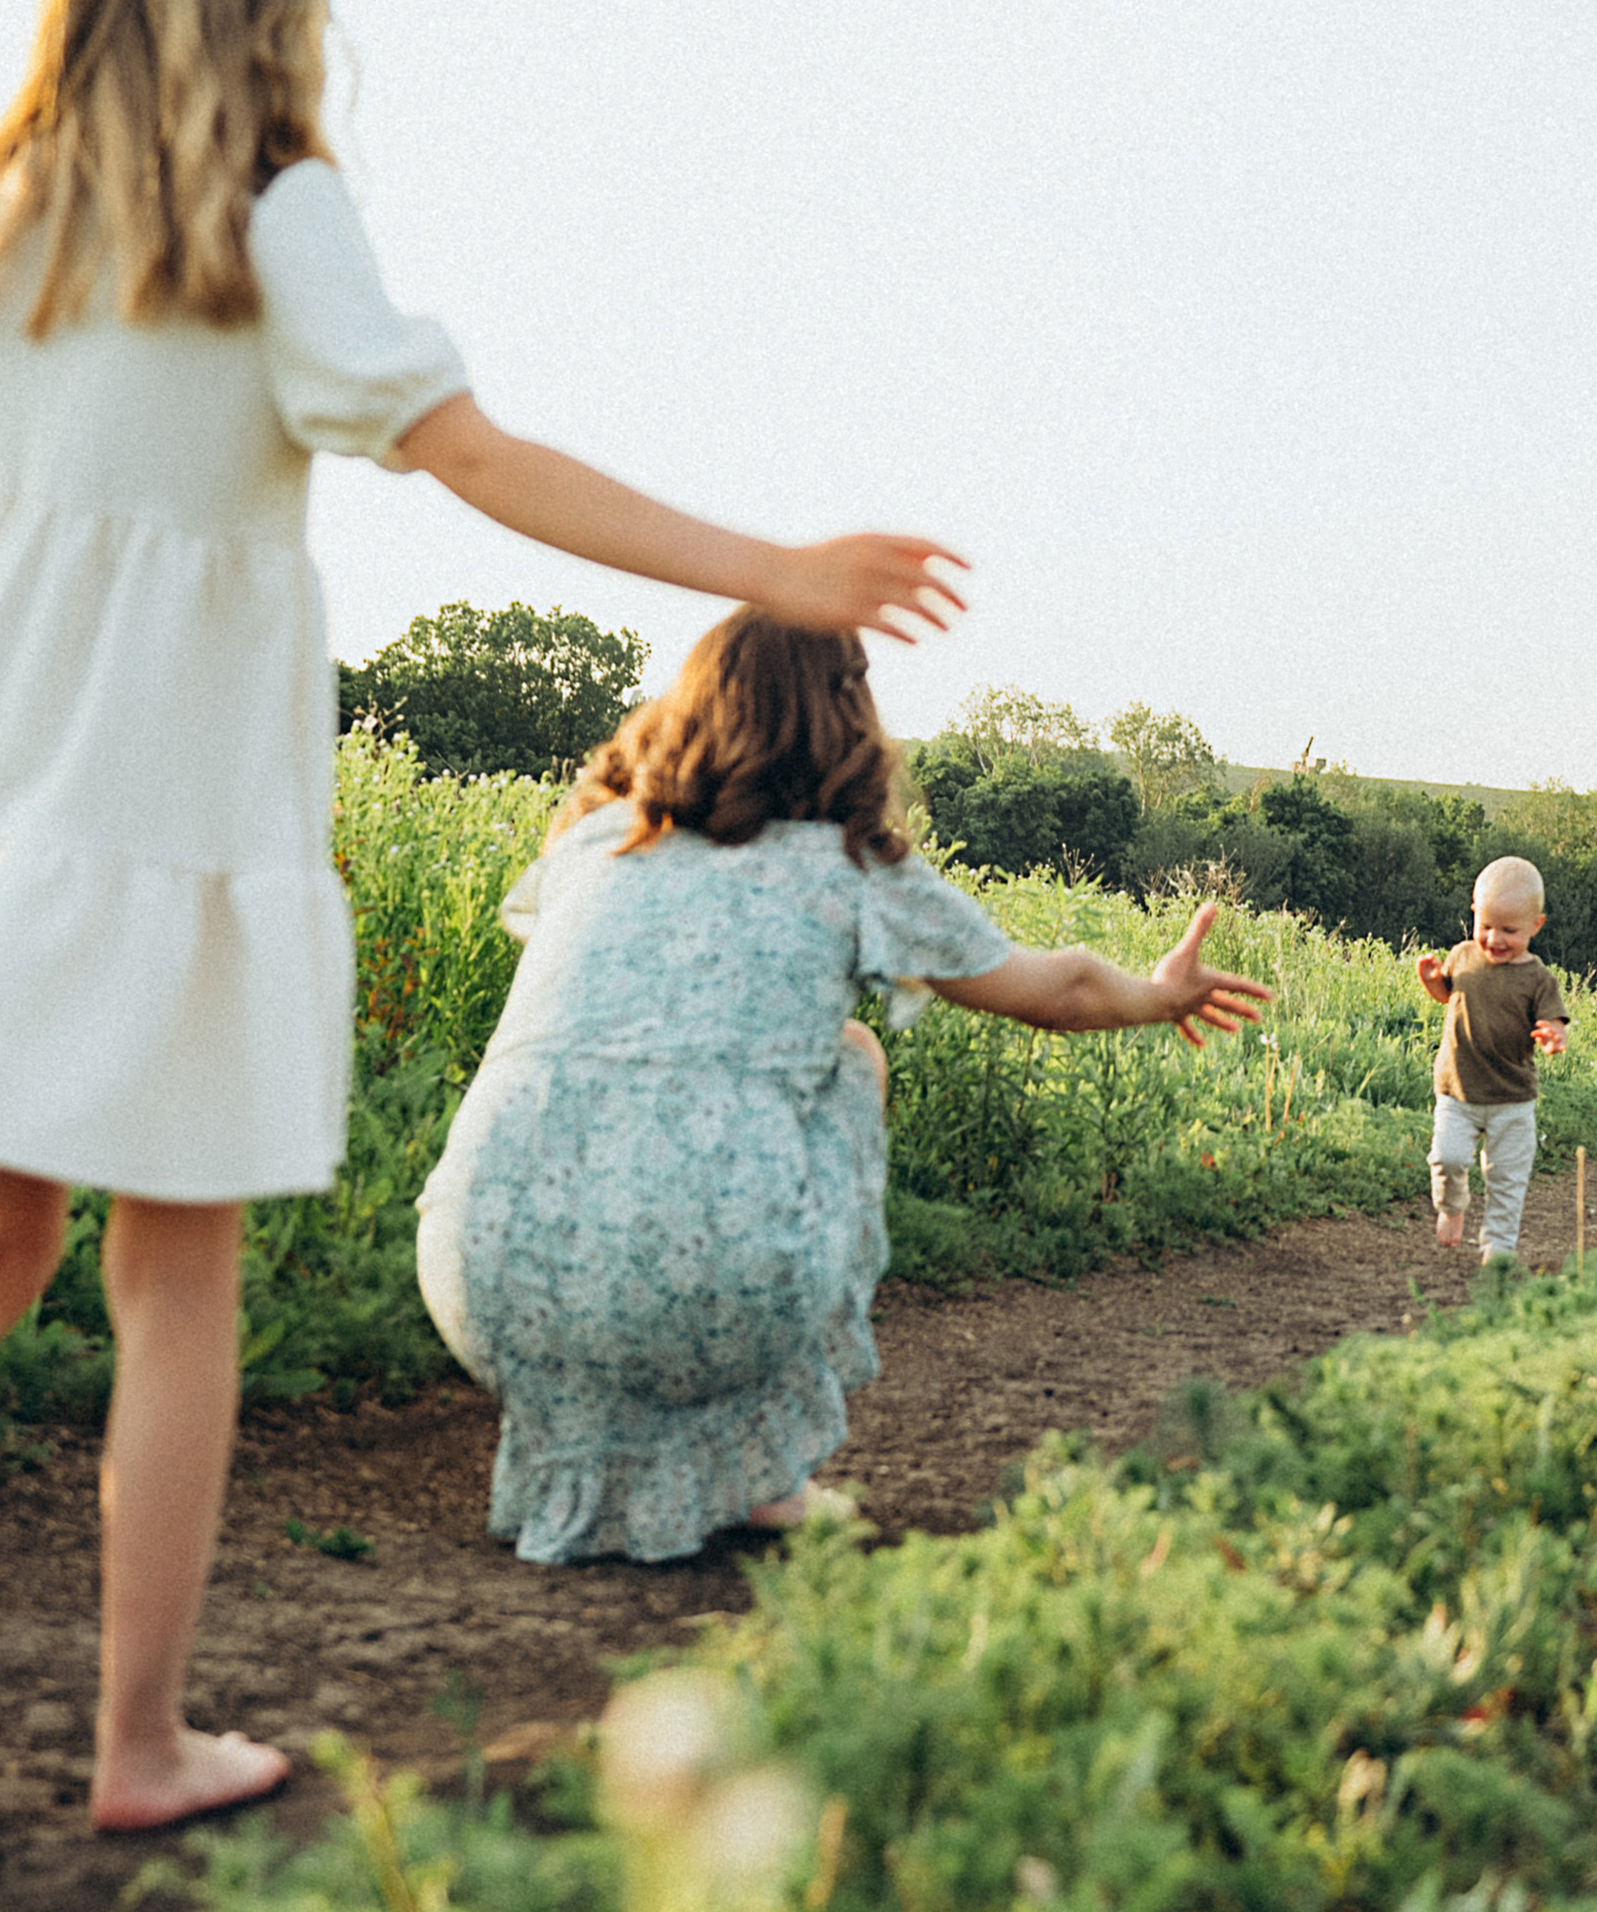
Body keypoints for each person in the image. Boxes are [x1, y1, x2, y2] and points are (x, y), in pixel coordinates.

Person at [0, 0, 965, 1831]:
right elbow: (470, 456)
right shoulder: (267, 207)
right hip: (164, 811)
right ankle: (139, 1745)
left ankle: (141, 1733)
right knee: (173, 1272)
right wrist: (778, 564)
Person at [415, 610, 1269, 1564]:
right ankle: (767, 1484)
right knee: (853, 1056)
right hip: (709, 1275)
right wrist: (1158, 995)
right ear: (848, 711)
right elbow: (1055, 989)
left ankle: (589, 1456)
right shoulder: (847, 866)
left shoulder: (596, 842)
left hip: (476, 1271)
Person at [1414, 854, 1568, 1260]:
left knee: (1507, 1178)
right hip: (1456, 1089)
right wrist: (1432, 980)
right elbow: (1447, 995)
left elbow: (1554, 1021)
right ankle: (1452, 1206)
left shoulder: (1538, 978)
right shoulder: (1462, 956)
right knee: (1445, 1158)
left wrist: (1553, 1036)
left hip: (1512, 1099)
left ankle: (1498, 1247)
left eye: (1509, 930)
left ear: (1536, 926)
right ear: (1473, 914)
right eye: (1485, 926)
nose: (1494, 939)